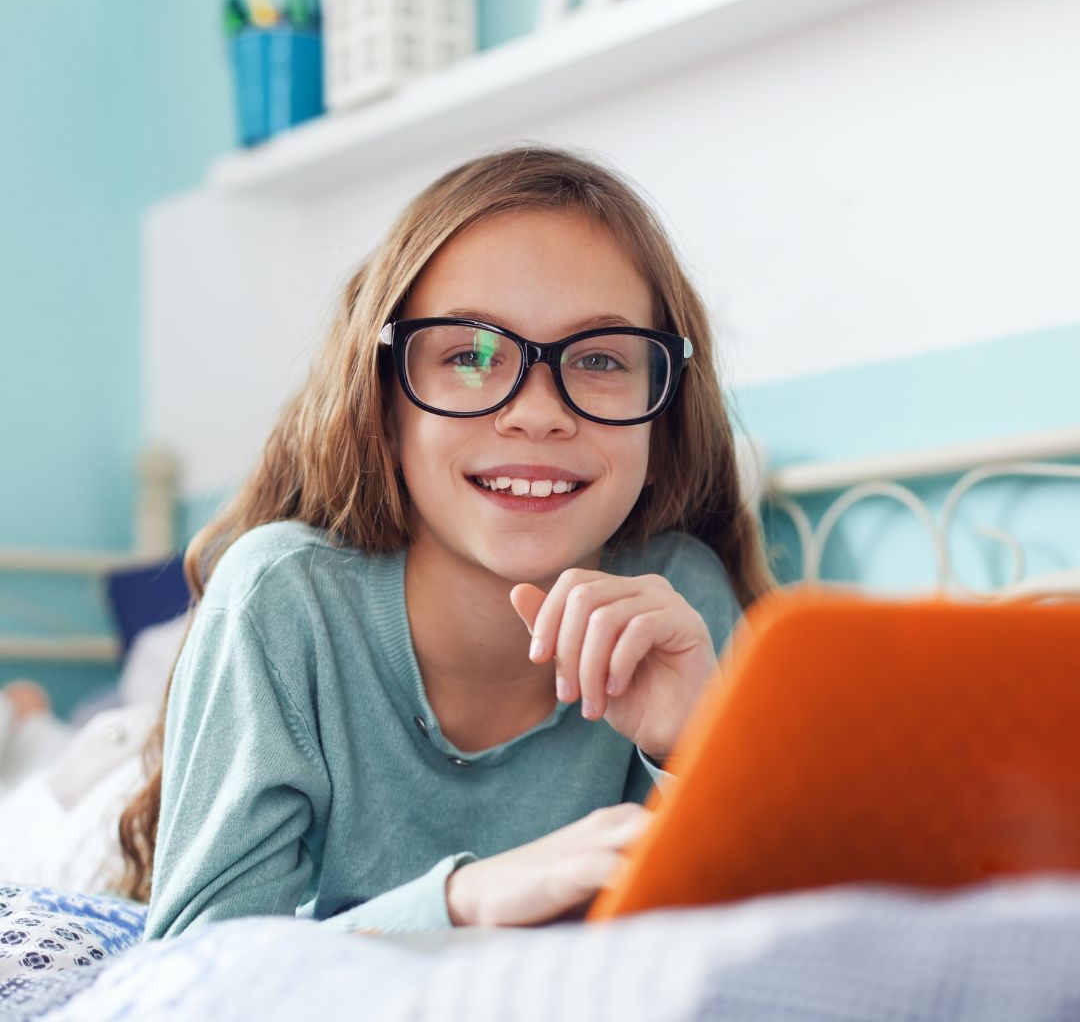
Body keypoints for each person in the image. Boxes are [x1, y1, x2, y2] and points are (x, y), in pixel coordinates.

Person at [116, 145, 774, 938]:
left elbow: (748, 939)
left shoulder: (680, 601)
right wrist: (462, 902)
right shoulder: (284, 600)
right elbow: (197, 973)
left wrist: (694, 751)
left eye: (599, 359)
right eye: (470, 355)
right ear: (383, 405)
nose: (538, 412)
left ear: (661, 419)